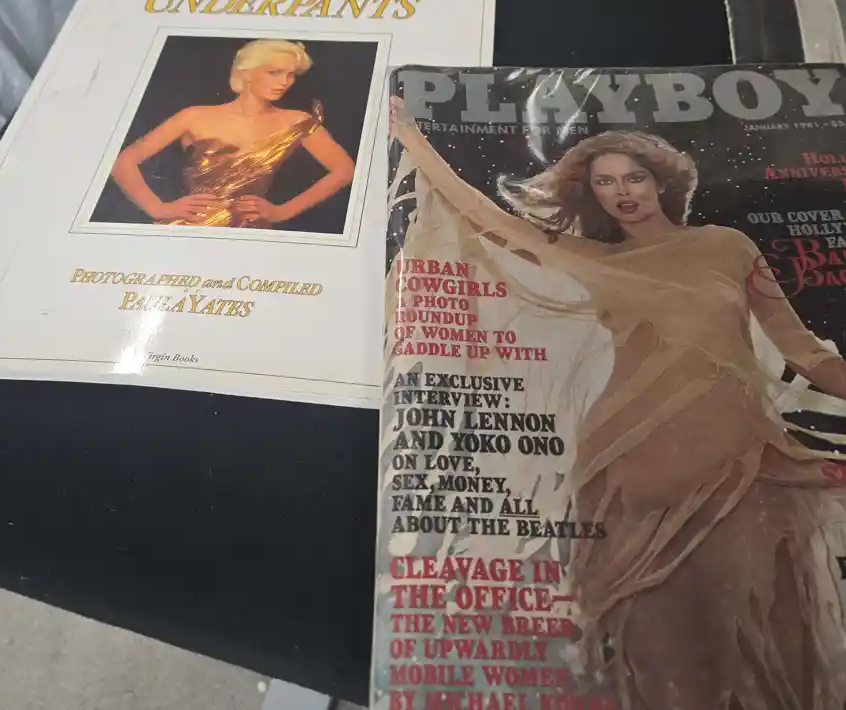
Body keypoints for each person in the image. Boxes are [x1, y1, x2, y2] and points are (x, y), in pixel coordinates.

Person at [390, 106, 846, 710]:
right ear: (593, 194)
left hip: (741, 463)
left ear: (660, 181)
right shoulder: (593, 259)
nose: (622, 192)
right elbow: (486, 217)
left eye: (633, 177)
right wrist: (411, 138)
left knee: (776, 639)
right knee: (665, 655)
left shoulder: (727, 247)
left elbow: (805, 352)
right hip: (633, 467)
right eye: (605, 182)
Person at [111, 39, 355, 228]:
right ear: (246, 72)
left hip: (252, 231)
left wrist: (282, 212)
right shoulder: (193, 116)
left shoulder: (296, 121)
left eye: (290, 74)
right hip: (189, 228)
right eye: (274, 72)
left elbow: (344, 170)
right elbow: (123, 162)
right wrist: (159, 208)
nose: (285, 82)